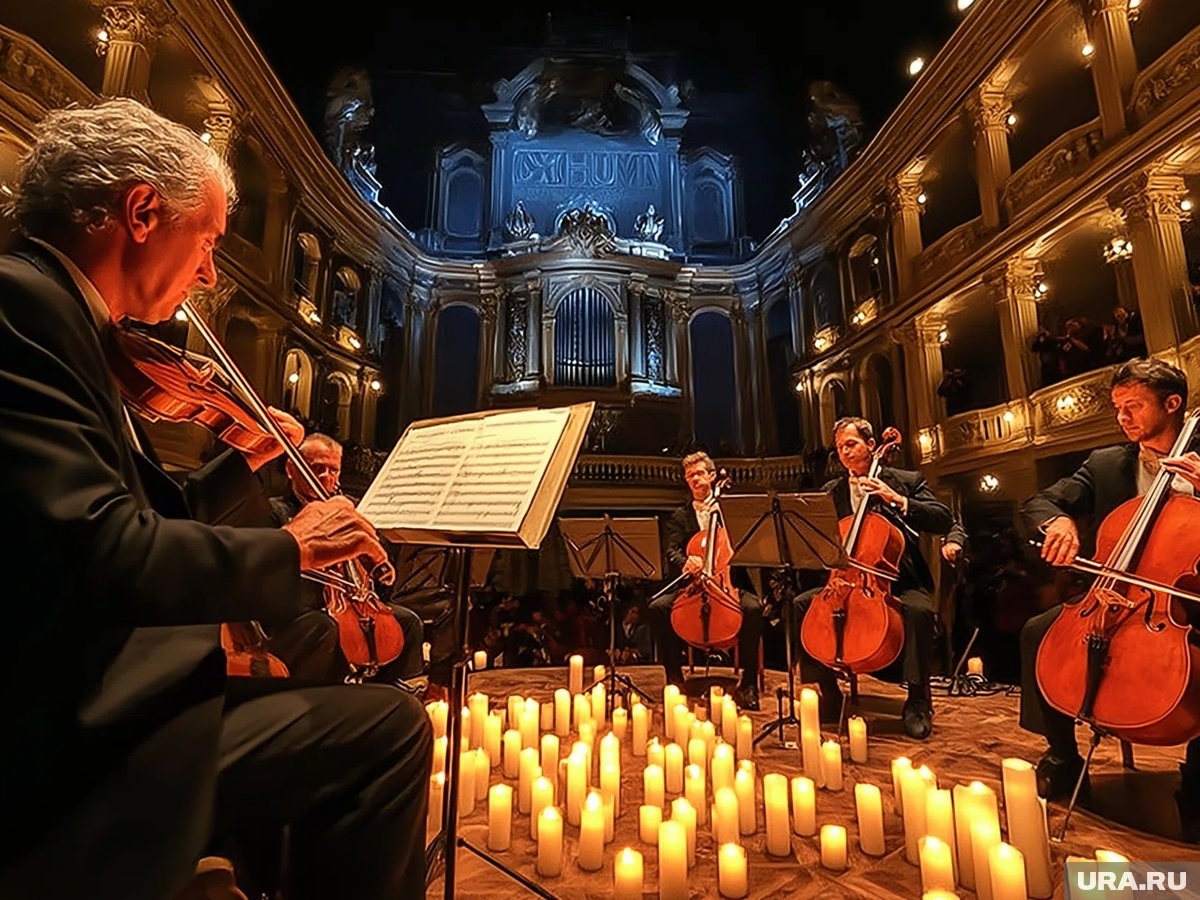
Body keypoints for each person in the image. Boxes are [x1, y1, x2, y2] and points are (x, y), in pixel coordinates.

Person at [0, 98, 430, 900]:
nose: (206, 273)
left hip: (103, 678)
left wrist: (244, 463)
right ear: (140, 212)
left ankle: (236, 864)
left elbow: (146, 523)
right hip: (71, 727)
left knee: (326, 657)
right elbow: (110, 553)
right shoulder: (22, 308)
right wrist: (297, 547)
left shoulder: (74, 325)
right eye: (205, 242)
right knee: (390, 729)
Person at [1020, 358, 1200, 838]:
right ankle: (1062, 753)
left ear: (1172, 404)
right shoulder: (1106, 464)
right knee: (1039, 632)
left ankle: (1199, 776)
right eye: (1118, 408)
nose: (1122, 418)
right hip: (1117, 595)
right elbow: (1040, 501)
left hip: (1188, 600)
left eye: (1133, 406)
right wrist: (1056, 520)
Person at [792, 417, 954, 739]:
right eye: (839, 448)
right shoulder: (831, 491)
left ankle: (918, 699)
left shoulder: (905, 480)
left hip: (900, 579)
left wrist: (897, 499)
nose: (844, 453)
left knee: (919, 612)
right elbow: (818, 542)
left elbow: (943, 518)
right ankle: (829, 692)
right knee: (800, 606)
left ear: (870, 445)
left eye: (850, 444)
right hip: (844, 580)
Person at [269, 432, 426, 687]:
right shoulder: (277, 511)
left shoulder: (347, 510)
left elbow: (372, 556)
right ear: (291, 469)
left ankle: (386, 694)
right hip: (303, 609)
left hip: (351, 601)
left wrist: (379, 565)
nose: (326, 478)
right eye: (317, 469)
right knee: (328, 627)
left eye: (333, 470)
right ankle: (332, 694)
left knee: (408, 622)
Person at [649, 450, 765, 710]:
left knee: (754, 609)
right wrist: (686, 562)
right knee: (657, 608)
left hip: (728, 581)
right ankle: (675, 679)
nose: (695, 480)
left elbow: (749, 543)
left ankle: (748, 684)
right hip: (693, 585)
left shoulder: (729, 510)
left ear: (712, 476)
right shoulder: (681, 516)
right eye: (690, 476)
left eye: (699, 473)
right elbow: (672, 550)